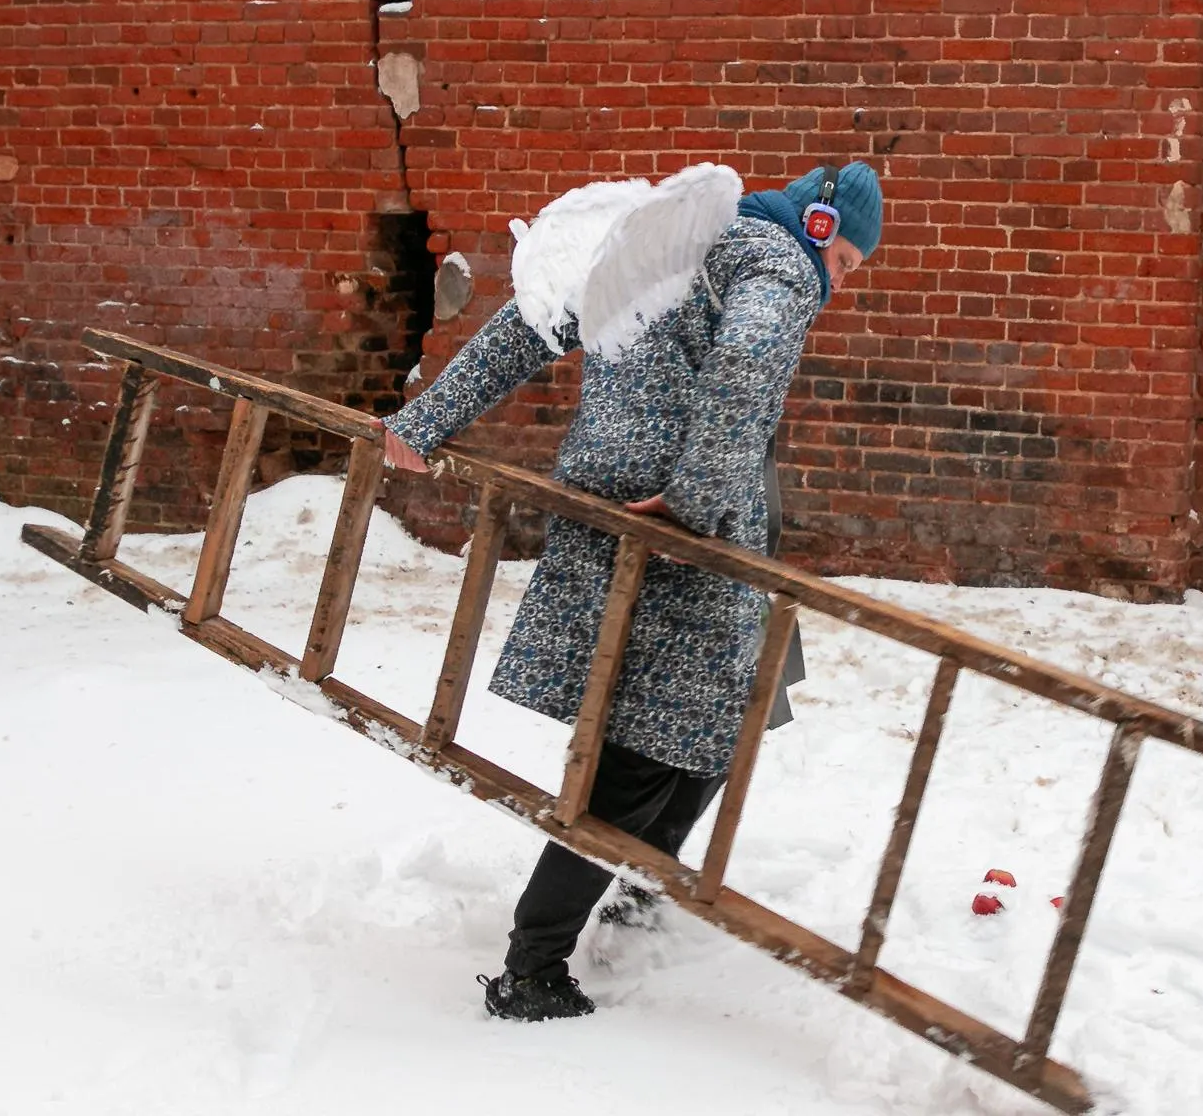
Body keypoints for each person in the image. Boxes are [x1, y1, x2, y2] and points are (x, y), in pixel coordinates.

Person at [376, 161, 883, 1021]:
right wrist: (694, 498)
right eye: (850, 266)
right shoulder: (780, 261)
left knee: (735, 707)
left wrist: (425, 420)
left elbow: (528, 326)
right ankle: (534, 968)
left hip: (609, 505)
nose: (840, 284)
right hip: (677, 532)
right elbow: (753, 354)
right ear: (822, 229)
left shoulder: (664, 245)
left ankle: (645, 900)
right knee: (644, 755)